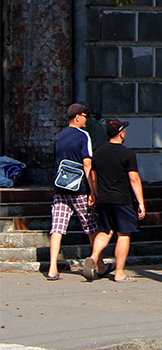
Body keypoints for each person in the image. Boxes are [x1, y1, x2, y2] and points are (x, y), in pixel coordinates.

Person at [83, 119, 145, 283]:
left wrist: (94, 194)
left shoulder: (99, 153)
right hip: (122, 199)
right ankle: (119, 272)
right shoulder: (127, 154)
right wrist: (141, 202)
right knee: (123, 233)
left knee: (105, 231)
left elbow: (94, 177)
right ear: (121, 133)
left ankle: (94, 257)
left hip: (103, 199)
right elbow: (134, 179)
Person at [47, 103, 99, 280]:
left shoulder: (59, 136)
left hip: (61, 187)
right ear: (78, 117)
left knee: (57, 227)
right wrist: (92, 190)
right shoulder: (83, 136)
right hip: (79, 189)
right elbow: (87, 164)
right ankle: (97, 263)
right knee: (90, 225)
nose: (86, 119)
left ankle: (52, 268)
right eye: (85, 116)